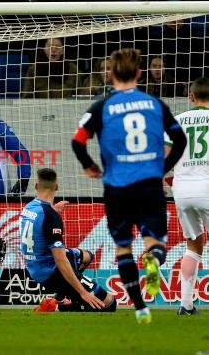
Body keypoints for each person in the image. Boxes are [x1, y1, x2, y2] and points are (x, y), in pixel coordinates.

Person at [71, 48, 187, 323]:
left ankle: (140, 308)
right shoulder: (155, 104)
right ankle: (153, 260)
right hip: (149, 183)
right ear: (139, 74)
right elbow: (180, 141)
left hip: (117, 188)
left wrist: (89, 165)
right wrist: (162, 168)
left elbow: (77, 140)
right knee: (155, 242)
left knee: (123, 248)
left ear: (110, 75)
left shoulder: (101, 106)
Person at [20, 168, 117, 312]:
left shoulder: (29, 208)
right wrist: (82, 292)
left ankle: (62, 295)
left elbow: (41, 223)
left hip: (35, 265)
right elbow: (60, 260)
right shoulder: (51, 217)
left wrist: (53, 209)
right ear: (57, 187)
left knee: (87, 256)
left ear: (36, 186)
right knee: (110, 304)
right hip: (51, 272)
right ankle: (56, 306)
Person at [165, 77, 209, 316]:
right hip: (207, 185)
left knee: (193, 245)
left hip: (181, 190)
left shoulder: (176, 122)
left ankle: (186, 304)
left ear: (191, 97)